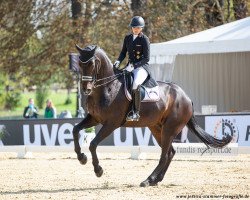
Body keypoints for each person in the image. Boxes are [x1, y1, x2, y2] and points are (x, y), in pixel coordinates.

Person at [113, 16, 150, 121]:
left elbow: (146, 58)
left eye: (138, 27)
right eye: (134, 27)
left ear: (141, 28)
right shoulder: (127, 38)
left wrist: (134, 66)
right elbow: (123, 53)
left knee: (135, 84)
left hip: (141, 67)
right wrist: (118, 61)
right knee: (119, 81)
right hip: (129, 66)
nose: (135, 29)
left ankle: (136, 112)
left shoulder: (144, 39)